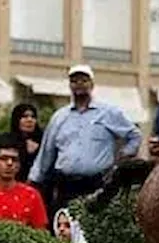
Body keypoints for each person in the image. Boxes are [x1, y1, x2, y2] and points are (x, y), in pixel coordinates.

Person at [29, 65, 143, 220]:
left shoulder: (108, 113)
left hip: (97, 184)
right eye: (74, 81)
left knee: (94, 231)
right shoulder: (59, 117)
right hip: (66, 185)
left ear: (92, 84)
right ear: (70, 85)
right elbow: (46, 153)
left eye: (84, 80)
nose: (79, 84)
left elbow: (134, 135)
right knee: (64, 229)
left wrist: (123, 156)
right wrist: (34, 180)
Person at [9, 103, 44, 183]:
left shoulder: (44, 141)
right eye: (25, 116)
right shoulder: (9, 141)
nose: (29, 120)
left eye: (33, 117)